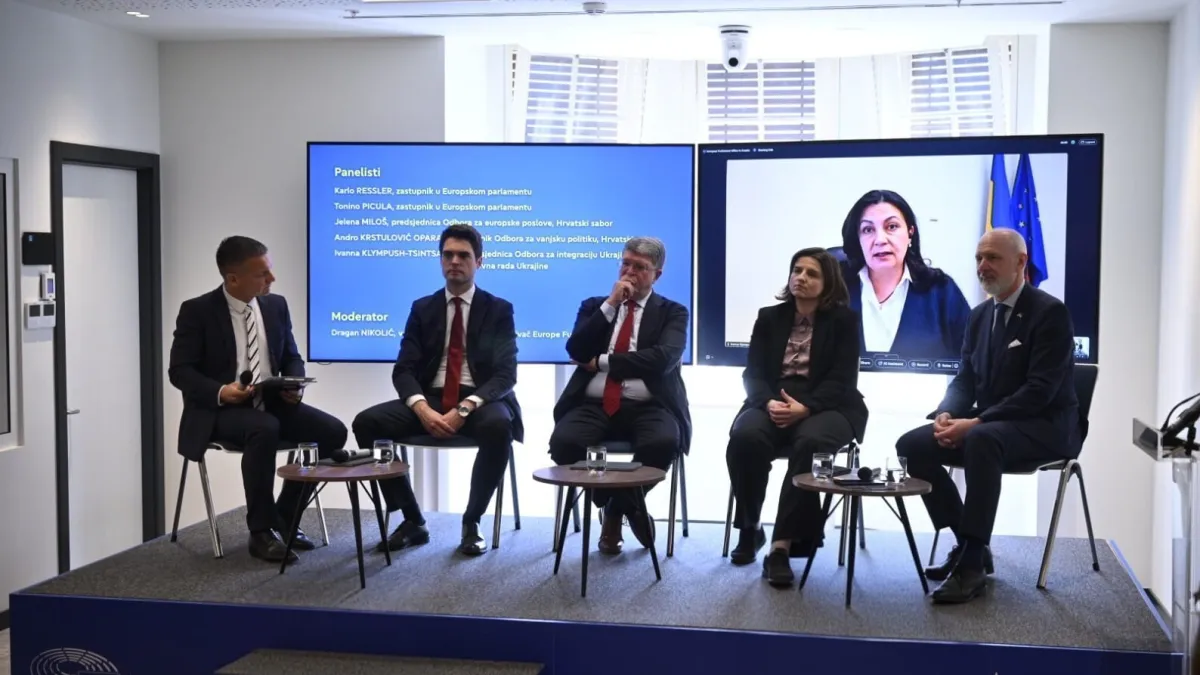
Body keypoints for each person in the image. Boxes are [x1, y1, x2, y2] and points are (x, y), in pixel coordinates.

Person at [897, 228, 1084, 604]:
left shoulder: (1050, 313)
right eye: (979, 258)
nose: (983, 266)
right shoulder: (979, 315)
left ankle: (970, 568)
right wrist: (947, 412)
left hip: (1045, 425)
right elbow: (965, 378)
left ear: (1020, 262)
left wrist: (977, 423)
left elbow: (1039, 391)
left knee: (982, 440)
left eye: (993, 258)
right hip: (993, 424)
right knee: (912, 445)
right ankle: (970, 546)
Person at [168, 236, 347, 564]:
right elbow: (180, 371)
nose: (272, 278)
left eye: (270, 270)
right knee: (263, 428)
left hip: (272, 402)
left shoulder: (275, 306)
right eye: (262, 274)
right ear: (233, 278)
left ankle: (285, 516)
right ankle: (261, 532)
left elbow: (291, 356)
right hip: (220, 410)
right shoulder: (197, 311)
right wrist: (221, 391)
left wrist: (295, 382)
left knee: (332, 432)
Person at [352, 223, 522, 557]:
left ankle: (472, 522)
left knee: (499, 426)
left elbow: (506, 374)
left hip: (480, 399)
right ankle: (412, 519)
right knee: (367, 423)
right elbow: (404, 369)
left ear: (479, 261)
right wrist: (421, 409)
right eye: (448, 255)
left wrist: (465, 408)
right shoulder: (422, 308)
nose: (454, 261)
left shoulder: (499, 309)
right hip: (431, 397)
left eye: (463, 255)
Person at [725, 247, 868, 586]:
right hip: (773, 400)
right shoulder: (769, 317)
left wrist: (807, 408)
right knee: (745, 438)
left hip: (829, 404)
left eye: (811, 273)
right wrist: (767, 403)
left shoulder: (845, 321)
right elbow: (753, 373)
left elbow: (842, 379)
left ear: (828, 283)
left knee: (811, 443)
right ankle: (750, 528)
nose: (801, 278)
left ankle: (781, 546)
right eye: (797, 270)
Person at [549, 237, 691, 555]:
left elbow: (662, 359)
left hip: (650, 404)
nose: (630, 272)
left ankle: (615, 510)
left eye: (640, 267)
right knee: (565, 443)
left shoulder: (673, 313)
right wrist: (612, 304)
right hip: (594, 403)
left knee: (663, 443)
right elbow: (576, 350)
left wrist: (602, 362)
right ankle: (624, 504)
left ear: (657, 274)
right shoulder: (594, 307)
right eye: (625, 263)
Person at [838, 189, 971, 362]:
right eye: (868, 229)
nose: (880, 240)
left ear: (910, 233)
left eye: (891, 227)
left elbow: (973, 359)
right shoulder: (835, 289)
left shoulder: (942, 291)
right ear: (858, 239)